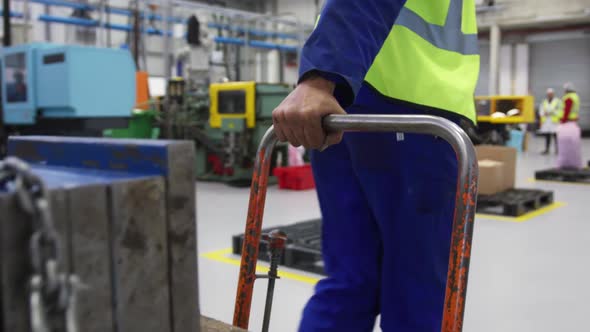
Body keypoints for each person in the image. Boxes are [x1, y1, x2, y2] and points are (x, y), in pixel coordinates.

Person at [271, 0, 479, 331]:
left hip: (344, 104)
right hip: (414, 108)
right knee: (418, 289)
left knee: (350, 281)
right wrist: (322, 76)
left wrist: (326, 79)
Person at [538, 88, 561, 154]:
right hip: (547, 121)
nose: (549, 95)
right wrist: (543, 113)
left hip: (554, 121)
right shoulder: (544, 101)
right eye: (548, 94)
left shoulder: (557, 101)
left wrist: (552, 112)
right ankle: (547, 149)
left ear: (553, 94)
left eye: (551, 94)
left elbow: (560, 111)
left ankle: (557, 150)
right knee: (547, 136)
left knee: (556, 136)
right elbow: (541, 110)